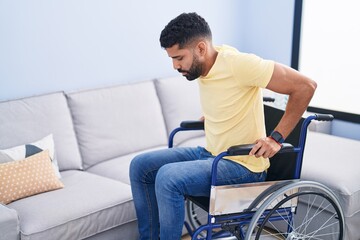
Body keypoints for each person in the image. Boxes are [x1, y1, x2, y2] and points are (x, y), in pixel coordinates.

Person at [129, 12, 316, 240]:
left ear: (200, 48)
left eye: (179, 58)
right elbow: (228, 92)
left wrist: (275, 138)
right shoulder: (203, 65)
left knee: (168, 177)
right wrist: (214, 114)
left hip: (243, 165)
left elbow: (306, 86)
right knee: (140, 166)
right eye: (172, 59)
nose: (175, 66)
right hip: (212, 154)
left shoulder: (240, 64)